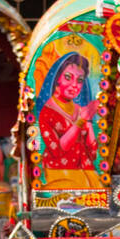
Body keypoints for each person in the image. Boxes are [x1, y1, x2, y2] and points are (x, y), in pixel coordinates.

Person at [37, 52, 100, 188]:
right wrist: (80, 121)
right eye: (67, 77)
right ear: (57, 78)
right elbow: (58, 150)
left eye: (79, 80)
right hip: (59, 173)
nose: (74, 85)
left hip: (85, 171)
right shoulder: (47, 112)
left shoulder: (79, 109)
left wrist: (88, 121)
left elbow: (92, 151)